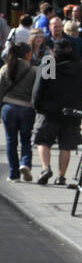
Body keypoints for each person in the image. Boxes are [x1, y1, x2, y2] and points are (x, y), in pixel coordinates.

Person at [31, 39, 82, 187]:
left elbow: (40, 86)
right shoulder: (80, 67)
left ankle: (45, 168)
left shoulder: (50, 63)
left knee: (43, 141)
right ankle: (61, 176)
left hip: (49, 110)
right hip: (71, 113)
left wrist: (37, 105)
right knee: (66, 146)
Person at [1, 42, 36, 181]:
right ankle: (25, 163)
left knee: (11, 141)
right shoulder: (33, 70)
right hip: (27, 108)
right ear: (28, 54)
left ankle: (13, 174)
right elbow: (37, 91)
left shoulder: (5, 68)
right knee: (26, 139)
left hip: (8, 107)